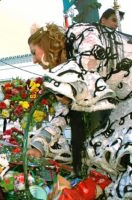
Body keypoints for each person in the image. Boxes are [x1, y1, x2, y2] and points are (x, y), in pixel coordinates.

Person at [26, 19, 132, 199]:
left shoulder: (80, 35)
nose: (34, 60)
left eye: (34, 52)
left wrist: (72, 89)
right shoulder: (70, 68)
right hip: (126, 102)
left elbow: (89, 67)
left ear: (45, 44)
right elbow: (63, 111)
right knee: (105, 153)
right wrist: (39, 145)